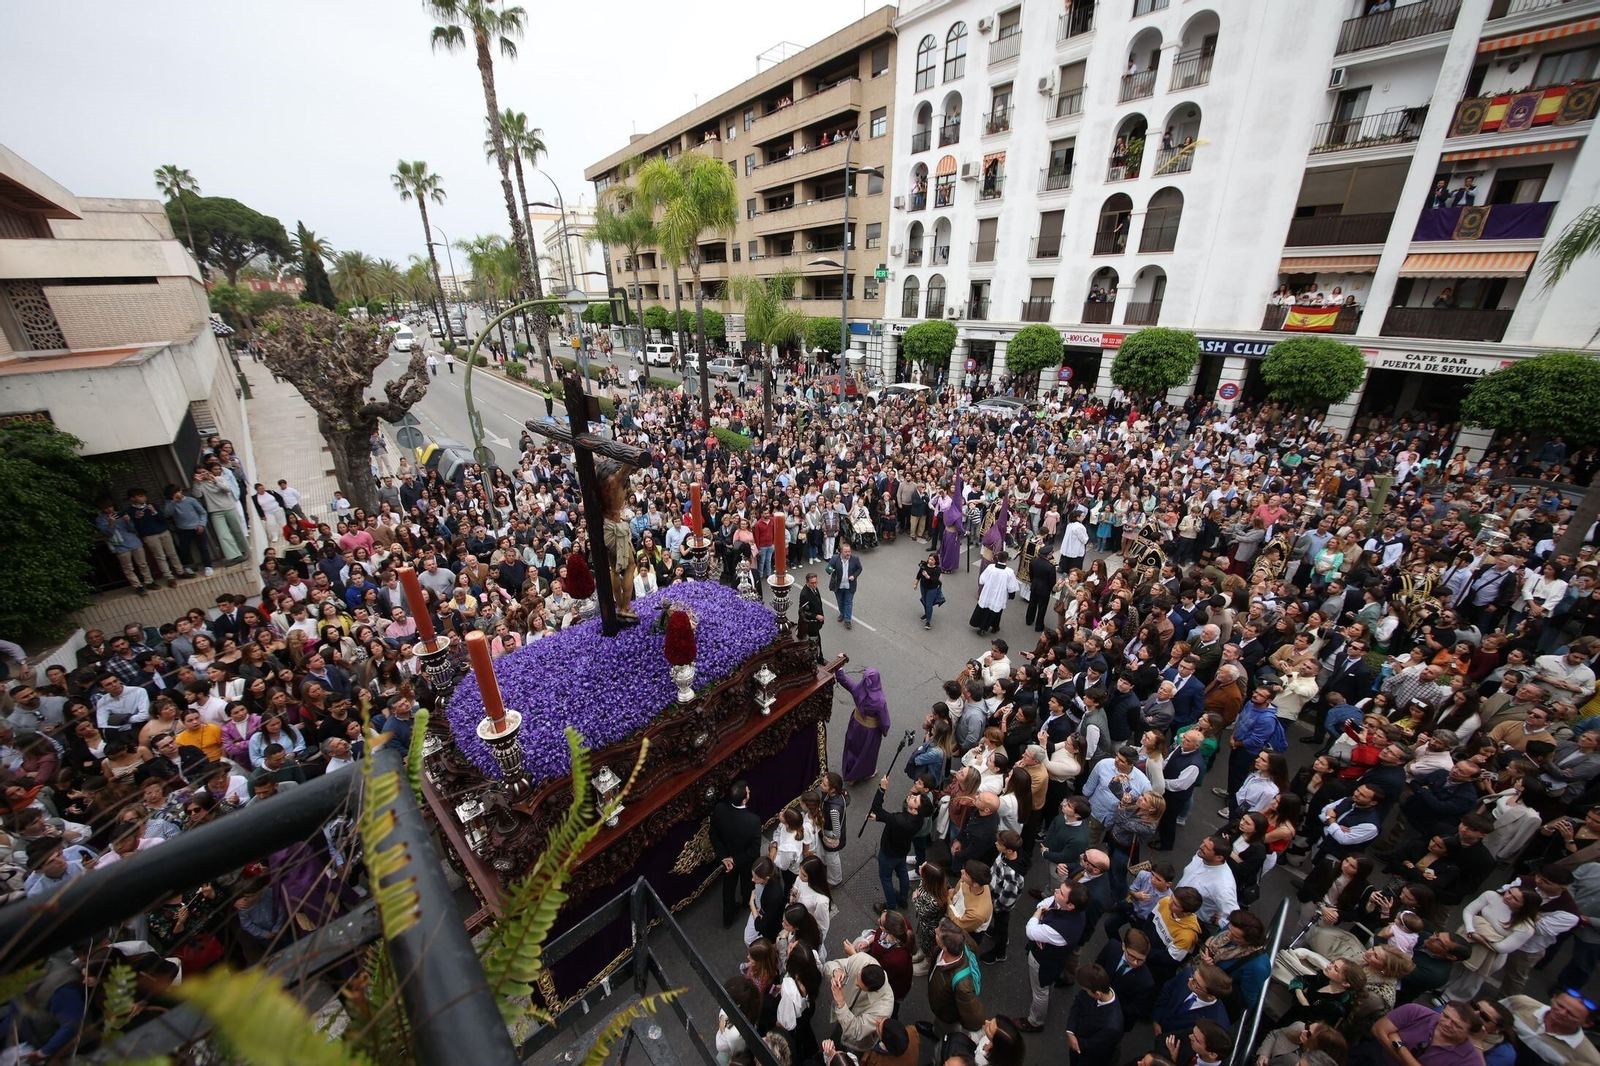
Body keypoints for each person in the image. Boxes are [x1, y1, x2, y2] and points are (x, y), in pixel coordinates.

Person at [1018, 881, 1089, 1032]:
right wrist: (1043, 907)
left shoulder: (1060, 929)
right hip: (1056, 959)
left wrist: (1039, 912)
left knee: (1040, 992)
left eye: (1061, 893)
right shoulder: (1076, 911)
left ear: (1071, 905)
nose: (1056, 891)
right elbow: (1048, 901)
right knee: (1045, 985)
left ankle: (1035, 1022)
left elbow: (1031, 931)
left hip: (1043, 962)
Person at [868, 774, 926, 911]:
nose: (912, 796)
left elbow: (877, 808)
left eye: (915, 799)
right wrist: (881, 818)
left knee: (886, 878)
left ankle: (891, 906)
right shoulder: (919, 819)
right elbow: (889, 819)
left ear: (914, 810)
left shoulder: (899, 820)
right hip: (902, 851)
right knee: (902, 873)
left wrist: (882, 789)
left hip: (889, 853)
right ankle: (903, 898)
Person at [712, 780, 764, 928]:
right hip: (745, 860)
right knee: (747, 882)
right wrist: (735, 859)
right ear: (744, 800)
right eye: (748, 792)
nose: (749, 792)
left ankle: (727, 918)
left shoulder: (719, 809)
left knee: (728, 888)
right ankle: (747, 901)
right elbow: (754, 850)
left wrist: (725, 858)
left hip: (727, 860)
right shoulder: (753, 821)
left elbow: (714, 835)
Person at [1063, 962, 1124, 1063]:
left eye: (1086, 990)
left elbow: (1095, 1046)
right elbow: (1077, 1004)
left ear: (1097, 994)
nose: (1084, 991)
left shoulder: (1112, 1026)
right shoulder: (1098, 987)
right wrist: (1070, 1031)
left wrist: (1075, 1044)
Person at [840, 668, 891, 784]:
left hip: (855, 723)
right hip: (870, 731)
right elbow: (884, 720)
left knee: (852, 747)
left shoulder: (857, 689)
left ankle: (849, 773)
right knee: (866, 754)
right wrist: (884, 730)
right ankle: (860, 775)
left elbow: (843, 680)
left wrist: (839, 668)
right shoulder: (880, 700)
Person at [971, 551, 1019, 636]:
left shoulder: (990, 568)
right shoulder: (1009, 572)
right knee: (996, 612)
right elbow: (1011, 587)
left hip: (988, 593)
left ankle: (982, 627)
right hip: (999, 596)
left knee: (984, 609)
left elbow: (982, 580)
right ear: (1006, 560)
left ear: (997, 558)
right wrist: (1012, 595)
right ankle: (994, 627)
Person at [828, 543, 864, 630]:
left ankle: (847, 620)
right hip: (838, 586)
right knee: (840, 601)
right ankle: (842, 613)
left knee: (848, 602)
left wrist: (854, 576)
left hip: (849, 586)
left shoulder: (855, 559)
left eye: (849, 551)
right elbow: (828, 567)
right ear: (841, 551)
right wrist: (831, 569)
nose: (848, 553)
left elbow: (859, 569)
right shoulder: (835, 558)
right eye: (846, 552)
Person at [800, 572, 827, 664]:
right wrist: (816, 616)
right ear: (807, 582)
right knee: (814, 642)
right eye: (812, 583)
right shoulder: (804, 594)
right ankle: (816, 659)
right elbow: (802, 611)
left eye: (816, 582)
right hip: (810, 624)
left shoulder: (814, 589)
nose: (814, 585)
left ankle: (818, 657)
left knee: (816, 641)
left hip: (816, 622)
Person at [917, 553, 945, 630]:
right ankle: (926, 614)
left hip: (932, 589)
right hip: (923, 587)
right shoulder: (924, 565)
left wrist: (927, 576)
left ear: (936, 561)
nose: (930, 561)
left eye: (932, 560)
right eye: (929, 559)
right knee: (924, 601)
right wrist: (916, 583)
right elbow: (919, 574)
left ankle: (928, 621)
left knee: (929, 604)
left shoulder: (937, 569)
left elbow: (935, 581)